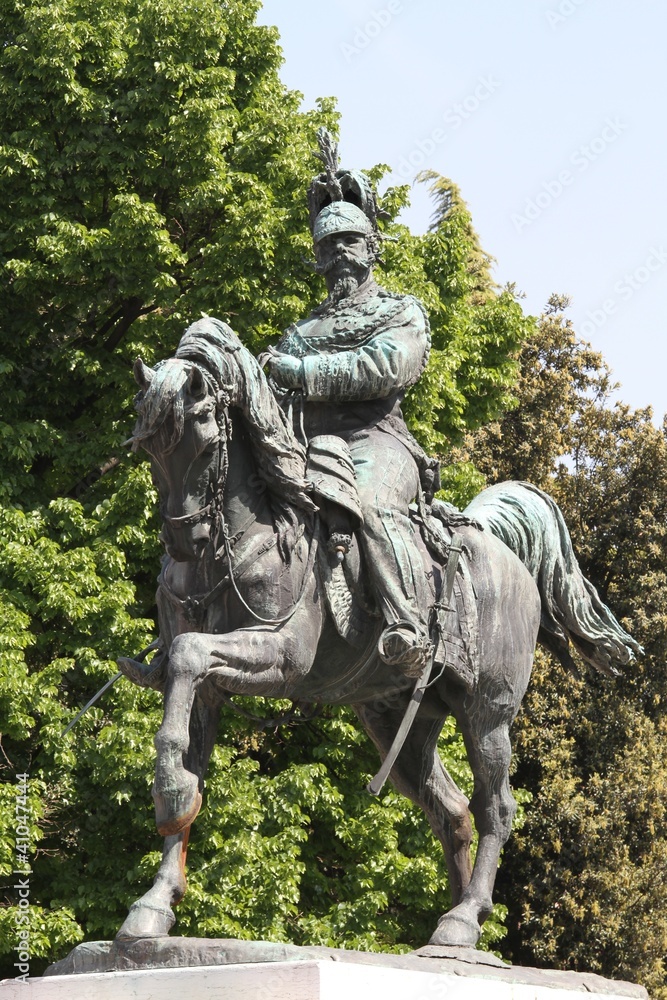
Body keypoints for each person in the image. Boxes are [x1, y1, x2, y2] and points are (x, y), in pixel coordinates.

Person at [265, 187, 438, 678]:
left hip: (376, 441)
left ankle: (407, 627)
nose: (339, 251)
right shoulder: (302, 331)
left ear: (371, 247)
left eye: (350, 241)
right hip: (306, 448)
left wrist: (299, 373)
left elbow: (385, 366)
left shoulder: (400, 311)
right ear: (316, 257)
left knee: (375, 506)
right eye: (328, 244)